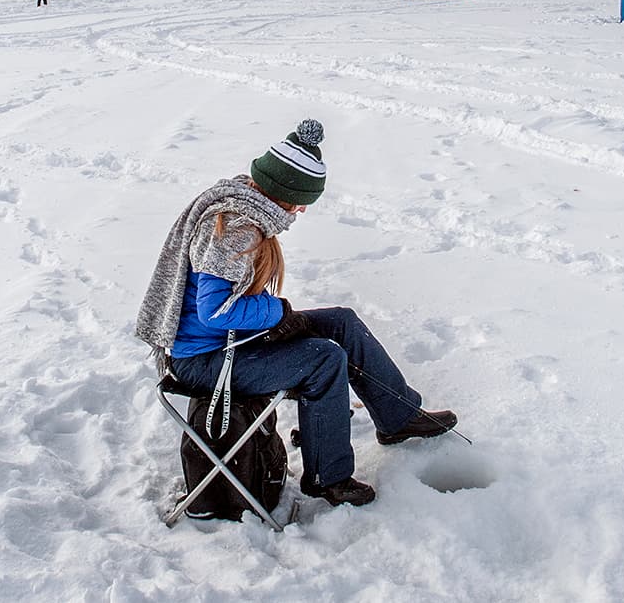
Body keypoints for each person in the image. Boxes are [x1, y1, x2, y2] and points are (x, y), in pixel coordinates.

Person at [135, 119, 457, 508]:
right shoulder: (236, 229)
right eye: (302, 200)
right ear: (284, 193)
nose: (302, 210)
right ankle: (328, 477)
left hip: (228, 342)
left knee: (342, 322)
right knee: (323, 360)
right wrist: (277, 312)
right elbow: (216, 313)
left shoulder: (244, 204)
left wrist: (278, 317)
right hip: (201, 359)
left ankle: (399, 417)